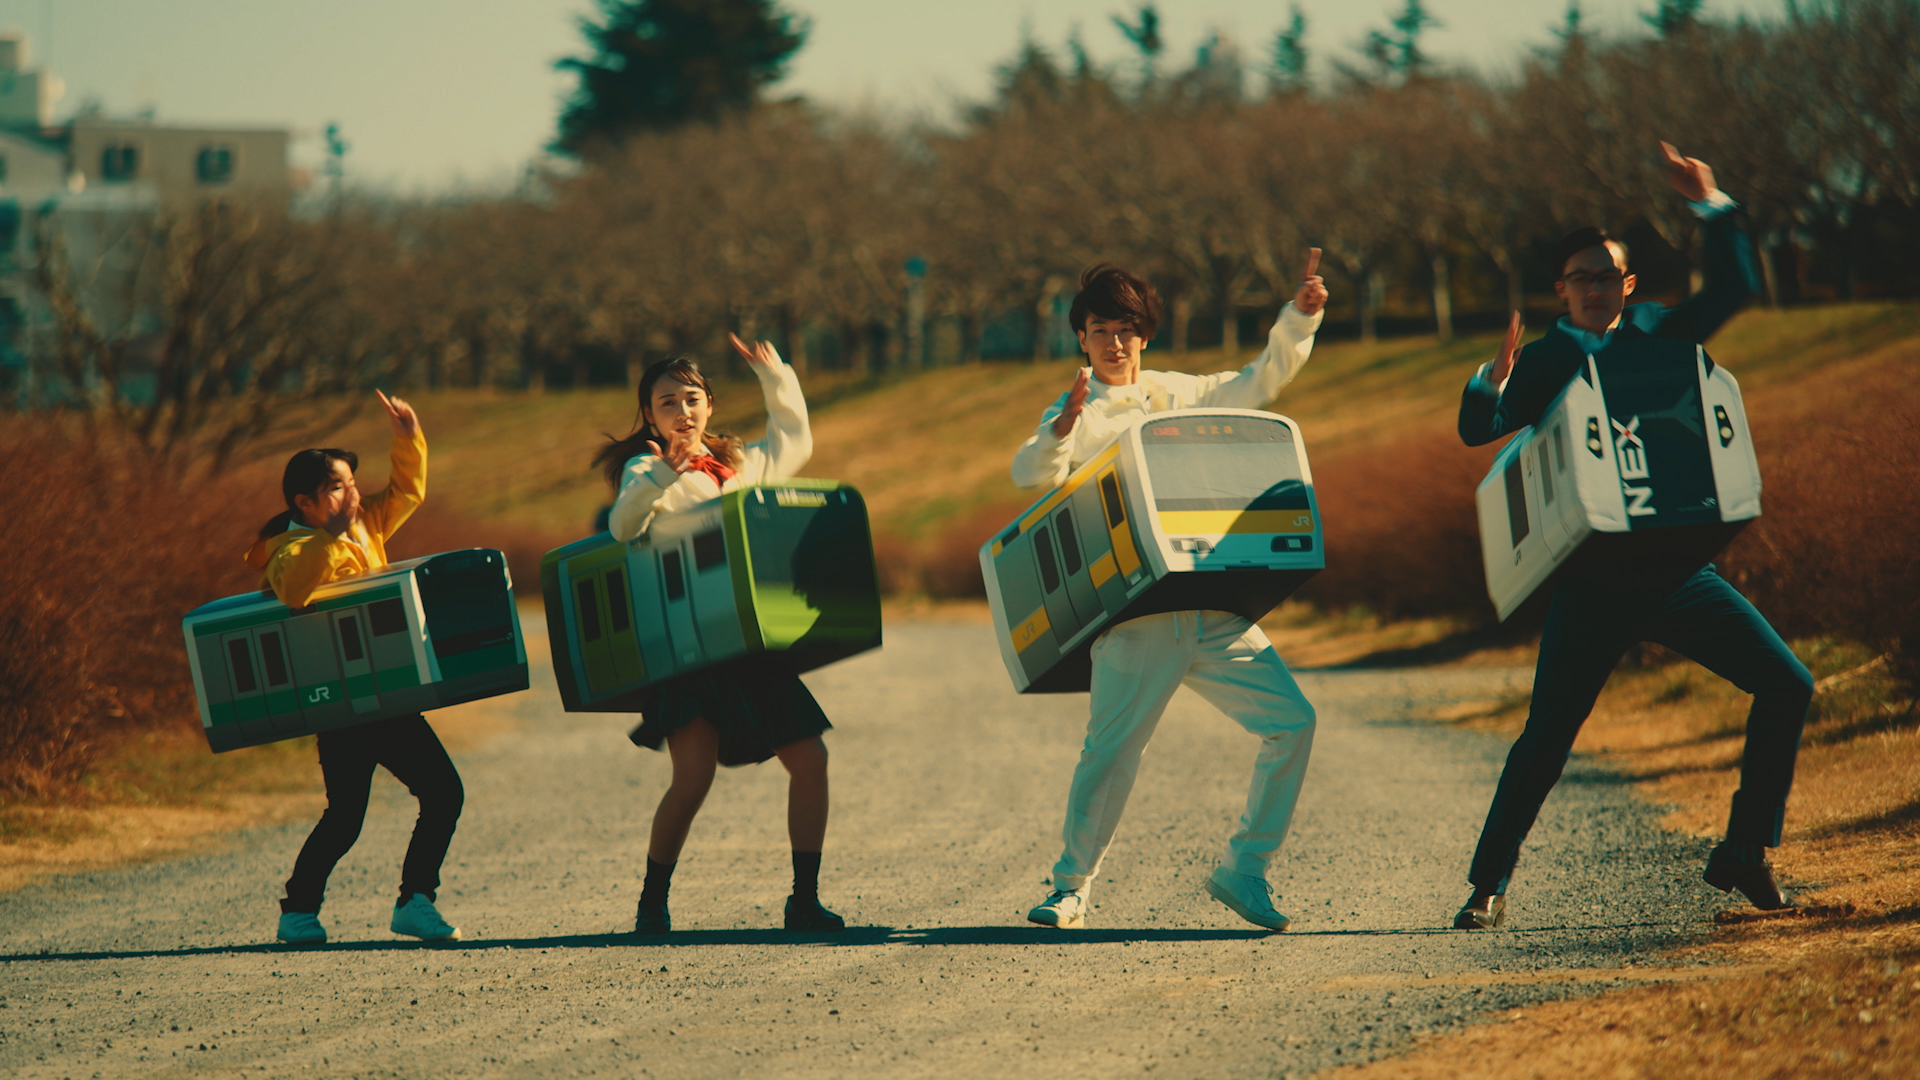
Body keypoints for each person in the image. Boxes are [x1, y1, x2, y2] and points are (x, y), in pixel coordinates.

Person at [1451, 143, 1807, 930]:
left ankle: (1745, 851)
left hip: (1679, 572)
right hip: (1594, 583)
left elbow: (1738, 287)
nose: (1594, 288)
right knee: (1547, 739)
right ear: (1560, 289)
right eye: (1579, 277)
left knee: (1789, 685)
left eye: (1606, 275)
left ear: (1628, 284)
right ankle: (1487, 886)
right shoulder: (1542, 361)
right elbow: (1481, 432)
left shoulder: (1664, 333)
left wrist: (1711, 202)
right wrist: (1490, 383)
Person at [1012, 255, 1328, 931]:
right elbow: (1030, 474)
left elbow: (1259, 381)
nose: (1115, 343)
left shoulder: (1179, 394)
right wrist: (1059, 432)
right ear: (1081, 338)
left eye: (1126, 329)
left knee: (1293, 724)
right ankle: (1071, 889)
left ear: (1145, 335)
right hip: (1136, 617)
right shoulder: (1074, 411)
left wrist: (1299, 318)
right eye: (1101, 330)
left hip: (1212, 605)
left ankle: (1245, 870)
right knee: (1110, 754)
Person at [596, 333, 842, 934]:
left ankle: (804, 901)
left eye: (692, 399)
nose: (682, 411)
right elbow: (623, 527)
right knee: (692, 779)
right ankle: (652, 904)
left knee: (810, 759)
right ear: (649, 414)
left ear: (709, 404)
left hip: (750, 643)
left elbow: (795, 442)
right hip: (691, 646)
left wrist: (775, 377)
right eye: (667, 403)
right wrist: (661, 475)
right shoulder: (645, 467)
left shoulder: (740, 462)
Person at [248, 390, 465, 945]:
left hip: (388, 692)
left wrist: (407, 438)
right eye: (336, 487)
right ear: (304, 502)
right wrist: (329, 536)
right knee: (350, 816)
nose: (351, 495)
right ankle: (302, 912)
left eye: (351, 483)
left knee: (437, 793)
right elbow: (295, 591)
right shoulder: (287, 548)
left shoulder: (365, 522)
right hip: (340, 702)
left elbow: (408, 492)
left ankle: (411, 901)